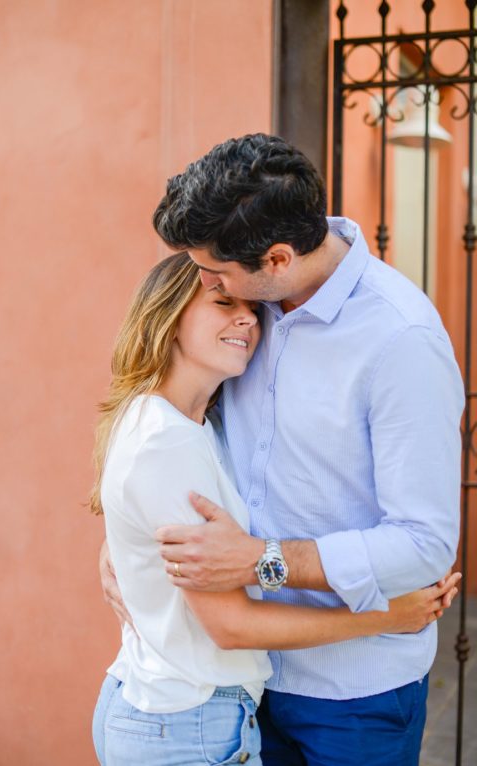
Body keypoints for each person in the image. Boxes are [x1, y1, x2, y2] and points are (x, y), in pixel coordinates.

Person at [99, 134, 465, 765]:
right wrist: (133, 541)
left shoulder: (400, 341)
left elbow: (424, 544)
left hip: (355, 694)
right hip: (247, 685)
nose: (205, 282)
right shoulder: (249, 310)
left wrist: (260, 562)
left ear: (276, 258)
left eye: (215, 274)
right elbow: (182, 438)